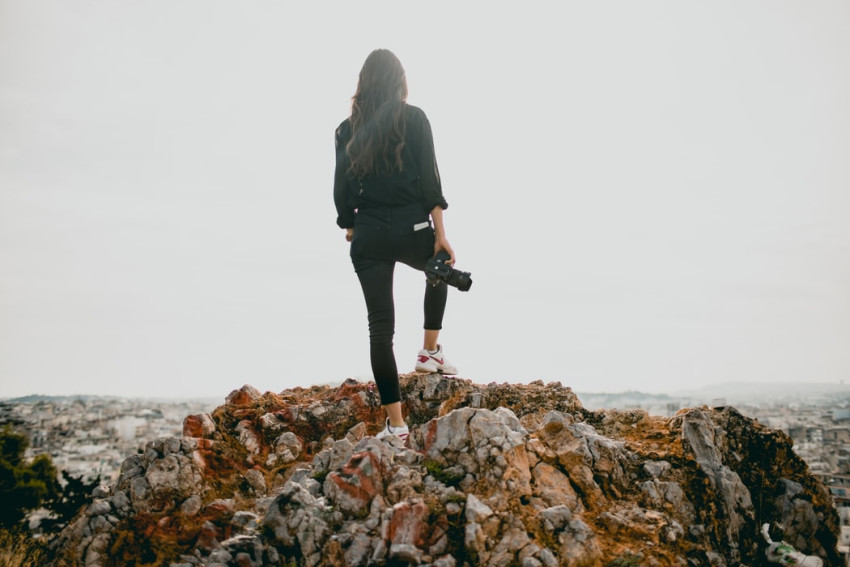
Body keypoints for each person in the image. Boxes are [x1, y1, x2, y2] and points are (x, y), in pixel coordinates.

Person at [334, 49, 458, 443]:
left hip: (369, 232)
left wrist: (351, 226)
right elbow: (430, 183)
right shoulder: (415, 119)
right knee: (438, 266)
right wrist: (440, 234)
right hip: (412, 227)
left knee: (379, 329)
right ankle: (429, 351)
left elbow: (341, 190)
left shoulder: (345, 130)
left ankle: (397, 426)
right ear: (399, 82)